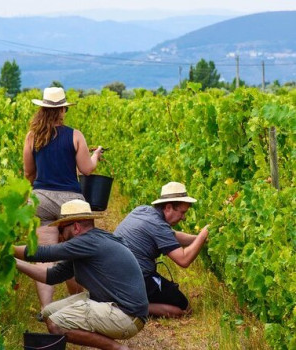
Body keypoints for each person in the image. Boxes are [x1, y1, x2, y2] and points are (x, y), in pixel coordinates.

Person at [14, 199, 148, 350]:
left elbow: (44, 253)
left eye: (60, 229)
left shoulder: (88, 241)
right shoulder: (88, 245)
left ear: (76, 227)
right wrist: (15, 263)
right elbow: (52, 276)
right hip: (116, 307)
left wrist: (8, 249)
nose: (60, 236)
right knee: (48, 313)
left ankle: (118, 348)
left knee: (56, 323)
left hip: (127, 316)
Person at [23, 86, 103, 310]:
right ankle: (74, 307)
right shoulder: (75, 135)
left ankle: (46, 310)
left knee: (44, 258)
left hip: (41, 200)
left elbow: (28, 173)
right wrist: (95, 155)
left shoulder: (32, 137)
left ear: (42, 109)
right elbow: (86, 169)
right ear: (63, 110)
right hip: (72, 203)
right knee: (75, 257)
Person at [114, 181, 209, 318]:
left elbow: (172, 236)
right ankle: (129, 307)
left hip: (114, 277)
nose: (184, 217)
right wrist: (203, 235)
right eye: (182, 212)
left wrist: (200, 239)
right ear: (169, 207)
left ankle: (127, 301)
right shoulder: (158, 226)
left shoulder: (142, 211)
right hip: (136, 279)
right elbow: (184, 260)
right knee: (182, 309)